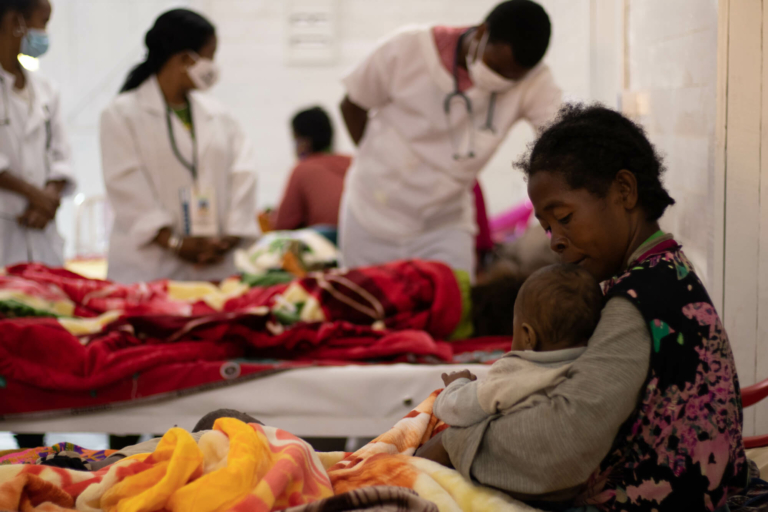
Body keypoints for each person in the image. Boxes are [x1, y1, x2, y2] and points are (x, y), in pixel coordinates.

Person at [416, 104, 748, 510]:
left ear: (624, 191)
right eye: (548, 227)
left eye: (565, 218)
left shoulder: (636, 305)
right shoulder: (669, 271)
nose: (555, 241)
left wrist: (454, 444)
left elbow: (562, 444)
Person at [339, 0, 561, 280]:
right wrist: (381, 158)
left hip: (444, 223)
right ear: (481, 33)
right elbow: (352, 104)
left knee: (453, 309)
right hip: (372, 213)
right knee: (367, 308)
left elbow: (558, 136)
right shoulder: (407, 49)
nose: (501, 80)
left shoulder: (533, 80)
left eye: (511, 78)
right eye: (497, 68)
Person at [100, 9, 258, 283]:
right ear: (185, 59)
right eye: (210, 57)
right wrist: (174, 243)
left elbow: (243, 173)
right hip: (150, 268)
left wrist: (229, 237)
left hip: (213, 265)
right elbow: (126, 186)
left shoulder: (220, 116)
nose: (213, 66)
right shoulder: (121, 115)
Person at [433, 263, 599, 428]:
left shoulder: (514, 372)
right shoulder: (589, 371)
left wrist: (456, 384)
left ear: (528, 336)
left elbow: (454, 409)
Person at [0, 0, 75, 268]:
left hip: (43, 231)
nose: (45, 34)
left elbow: (62, 157)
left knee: (45, 301)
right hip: (5, 231)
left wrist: (48, 199)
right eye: (42, 23)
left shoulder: (46, 90)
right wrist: (36, 195)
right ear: (14, 23)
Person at [272, 106, 352, 235]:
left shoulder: (302, 169)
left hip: (328, 246)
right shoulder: (353, 162)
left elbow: (282, 226)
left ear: (304, 142)